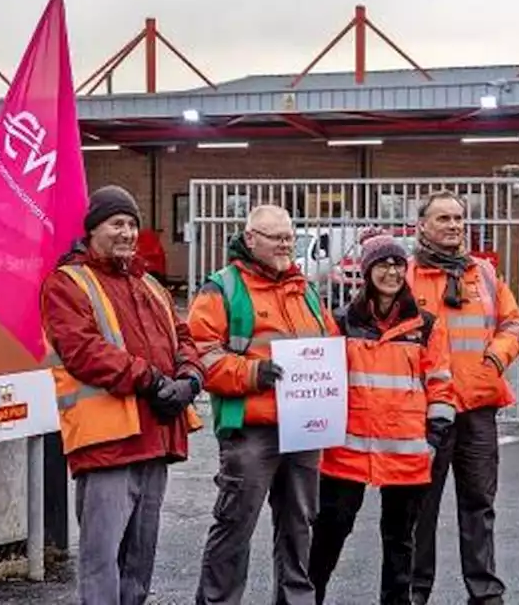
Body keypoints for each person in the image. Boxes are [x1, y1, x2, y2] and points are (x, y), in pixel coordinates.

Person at [39, 185, 205, 605]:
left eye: (132, 224)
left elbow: (183, 337)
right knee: (102, 560)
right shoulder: (67, 283)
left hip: (155, 436)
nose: (127, 232)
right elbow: (83, 351)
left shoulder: (149, 285)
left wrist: (190, 378)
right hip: (107, 442)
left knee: (139, 560)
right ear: (93, 229)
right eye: (117, 223)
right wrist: (150, 380)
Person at [189, 204, 338, 605]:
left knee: (299, 526)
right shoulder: (223, 287)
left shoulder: (303, 288)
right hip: (251, 426)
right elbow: (200, 352)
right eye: (277, 237)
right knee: (235, 525)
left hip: (303, 428)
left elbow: (328, 340)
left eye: (290, 236)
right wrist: (252, 374)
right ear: (251, 239)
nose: (286, 244)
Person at [307, 230, 456, 605]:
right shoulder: (342, 322)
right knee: (330, 532)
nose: (391, 272)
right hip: (347, 450)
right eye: (383, 264)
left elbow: (440, 384)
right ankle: (309, 598)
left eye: (397, 265)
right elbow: (323, 379)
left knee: (400, 540)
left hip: (407, 451)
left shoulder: (426, 325)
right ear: (367, 270)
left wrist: (434, 438)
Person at [408, 190, 519, 605]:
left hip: (478, 408)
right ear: (422, 225)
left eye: (458, 218)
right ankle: (415, 590)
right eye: (443, 219)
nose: (454, 226)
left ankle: (484, 591)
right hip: (426, 412)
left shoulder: (486, 275)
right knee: (419, 508)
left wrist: (493, 362)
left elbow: (513, 325)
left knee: (479, 503)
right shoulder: (405, 277)